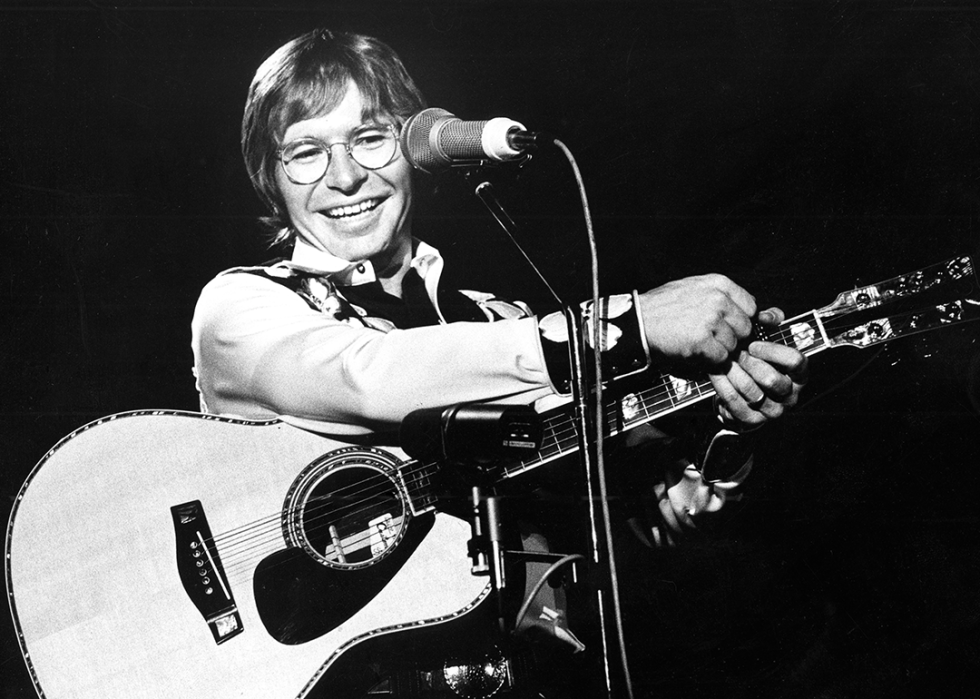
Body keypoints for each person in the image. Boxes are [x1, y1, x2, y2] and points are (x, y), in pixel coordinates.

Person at [190, 27, 807, 698]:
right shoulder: (242, 307)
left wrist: (724, 426)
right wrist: (625, 326)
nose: (344, 177)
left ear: (415, 149)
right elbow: (370, 376)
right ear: (270, 176)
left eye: (371, 138)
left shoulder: (500, 321)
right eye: (305, 152)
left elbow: (654, 513)